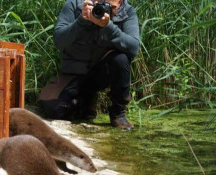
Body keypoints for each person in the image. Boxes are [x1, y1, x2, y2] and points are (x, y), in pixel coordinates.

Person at [39, 0, 140, 130]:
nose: (103, 8)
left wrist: (108, 26)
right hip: (73, 72)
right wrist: (81, 21)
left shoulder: (127, 11)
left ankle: (118, 113)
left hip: (100, 73)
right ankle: (84, 102)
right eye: (100, 2)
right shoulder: (74, 5)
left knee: (121, 58)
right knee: (54, 110)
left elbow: (134, 48)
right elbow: (59, 41)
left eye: (112, 7)